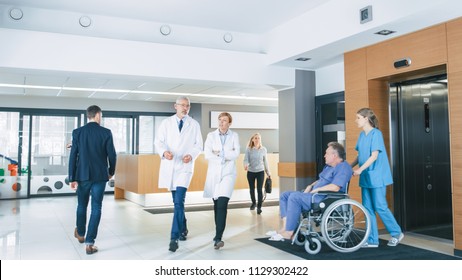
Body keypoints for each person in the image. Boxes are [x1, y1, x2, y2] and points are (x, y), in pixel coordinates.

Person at [269, 142, 352, 241]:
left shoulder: (343, 167)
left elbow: (335, 187)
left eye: (327, 153)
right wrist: (311, 186)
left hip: (322, 199)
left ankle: (289, 232)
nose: (324, 155)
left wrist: (317, 189)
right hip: (313, 195)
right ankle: (285, 227)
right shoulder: (329, 167)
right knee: (285, 195)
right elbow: (321, 180)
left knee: (294, 197)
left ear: (334, 155)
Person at [154, 96, 203, 252]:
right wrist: (164, 152)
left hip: (184, 167)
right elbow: (158, 142)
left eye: (187, 105)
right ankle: (183, 228)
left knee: (178, 202)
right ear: (175, 106)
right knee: (177, 202)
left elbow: (198, 145)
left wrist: (192, 155)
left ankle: (174, 238)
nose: (185, 108)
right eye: (182, 105)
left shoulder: (194, 124)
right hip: (171, 166)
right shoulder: (166, 123)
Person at [351, 107, 404, 248]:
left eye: (358, 118)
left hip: (377, 176)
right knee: (368, 208)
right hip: (366, 177)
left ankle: (396, 233)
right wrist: (349, 167)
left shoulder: (376, 134)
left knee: (380, 207)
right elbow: (360, 155)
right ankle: (372, 239)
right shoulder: (362, 135)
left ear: (366, 119)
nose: (355, 120)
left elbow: (374, 156)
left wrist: (360, 170)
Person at [69, 105, 117, 255]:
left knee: (81, 205)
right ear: (97, 115)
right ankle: (90, 243)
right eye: (100, 115)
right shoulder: (106, 133)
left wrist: (72, 177)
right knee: (96, 208)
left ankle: (81, 233)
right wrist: (110, 172)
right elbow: (112, 156)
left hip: (82, 176)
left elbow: (73, 156)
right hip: (100, 176)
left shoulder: (78, 132)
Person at [203, 112, 240, 249]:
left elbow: (236, 154)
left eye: (224, 120)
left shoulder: (234, 135)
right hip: (214, 174)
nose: (221, 122)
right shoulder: (211, 136)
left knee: (222, 203)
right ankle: (217, 232)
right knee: (216, 204)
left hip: (228, 173)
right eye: (220, 120)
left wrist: (219, 153)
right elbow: (207, 154)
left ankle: (218, 238)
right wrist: (224, 156)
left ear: (229, 123)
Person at [244, 133, 271, 214]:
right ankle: (253, 203)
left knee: (259, 189)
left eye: (258, 138)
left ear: (260, 139)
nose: (257, 140)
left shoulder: (264, 149)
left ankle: (259, 207)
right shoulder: (249, 149)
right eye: (255, 138)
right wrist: (246, 165)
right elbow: (246, 159)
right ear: (252, 140)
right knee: (252, 189)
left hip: (260, 172)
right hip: (251, 172)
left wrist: (268, 172)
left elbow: (265, 161)